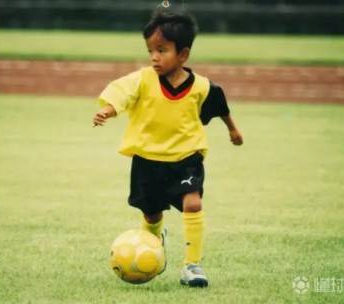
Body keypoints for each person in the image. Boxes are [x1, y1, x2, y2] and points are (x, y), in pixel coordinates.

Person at [93, 8, 243, 288]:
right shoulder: (143, 78)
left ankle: (192, 265)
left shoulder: (201, 87)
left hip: (186, 157)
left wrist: (233, 129)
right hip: (147, 160)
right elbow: (121, 93)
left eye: (162, 50)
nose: (154, 57)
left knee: (193, 202)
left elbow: (220, 106)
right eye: (151, 50)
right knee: (151, 214)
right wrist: (109, 110)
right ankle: (153, 241)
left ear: (183, 54)